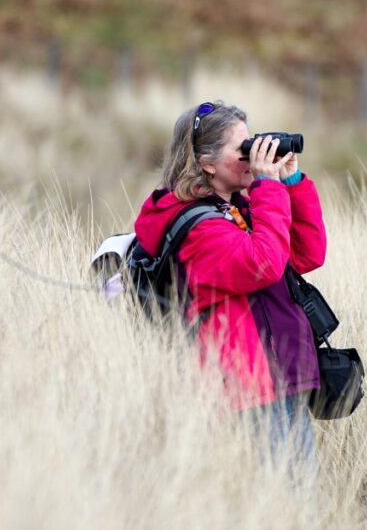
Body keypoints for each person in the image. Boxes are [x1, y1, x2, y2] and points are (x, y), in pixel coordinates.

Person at [133, 100, 327, 472]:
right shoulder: (198, 227)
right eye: (242, 150)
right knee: (280, 503)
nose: (252, 156)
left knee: (301, 505)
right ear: (206, 164)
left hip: (281, 376)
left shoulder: (237, 210)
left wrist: (290, 182)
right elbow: (264, 263)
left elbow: (307, 254)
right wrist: (269, 187)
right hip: (244, 388)